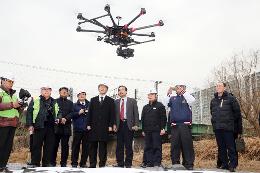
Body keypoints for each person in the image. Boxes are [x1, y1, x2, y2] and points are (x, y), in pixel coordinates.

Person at [210, 82, 242, 172]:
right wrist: (214, 124)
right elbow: (212, 113)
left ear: (224, 88)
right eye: (217, 86)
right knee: (221, 147)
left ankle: (233, 165)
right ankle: (224, 164)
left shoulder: (231, 99)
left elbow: (237, 113)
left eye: (220, 86)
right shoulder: (213, 101)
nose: (218, 87)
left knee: (231, 147)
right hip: (217, 128)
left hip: (228, 128)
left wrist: (235, 126)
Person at [26, 85, 60, 167]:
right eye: (44, 89)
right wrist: (30, 124)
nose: (46, 91)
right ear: (41, 91)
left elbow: (59, 112)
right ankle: (35, 162)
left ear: (51, 91)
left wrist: (59, 118)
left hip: (51, 126)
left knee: (49, 145)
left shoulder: (54, 101)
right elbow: (29, 112)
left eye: (48, 89)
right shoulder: (36, 100)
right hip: (38, 125)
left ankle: (46, 163)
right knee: (36, 145)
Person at [167, 84, 195, 170]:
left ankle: (188, 164)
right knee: (175, 145)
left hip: (185, 125)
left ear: (184, 89)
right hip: (174, 125)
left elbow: (192, 101)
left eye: (181, 87)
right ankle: (175, 163)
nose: (178, 89)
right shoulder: (172, 98)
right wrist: (169, 93)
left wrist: (183, 92)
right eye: (177, 87)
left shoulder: (187, 97)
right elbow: (165, 103)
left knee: (187, 145)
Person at [87, 83, 115, 168]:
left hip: (104, 127)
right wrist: (88, 124)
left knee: (103, 147)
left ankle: (102, 164)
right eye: (100, 87)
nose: (102, 88)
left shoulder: (110, 100)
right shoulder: (93, 99)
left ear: (107, 89)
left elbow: (112, 114)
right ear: (98, 89)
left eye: (104, 87)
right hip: (93, 127)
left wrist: (110, 125)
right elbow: (89, 113)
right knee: (92, 147)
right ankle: (92, 164)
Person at [0, 73, 22, 172]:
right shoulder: (0, 92)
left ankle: (3, 165)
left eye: (12, 82)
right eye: (9, 81)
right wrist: (13, 104)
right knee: (1, 144)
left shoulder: (13, 94)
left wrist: (21, 106)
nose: (11, 83)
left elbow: (16, 109)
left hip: (13, 123)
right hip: (2, 122)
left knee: (8, 146)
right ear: (3, 81)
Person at [113, 85, 139, 168]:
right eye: (119, 90)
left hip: (129, 125)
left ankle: (128, 163)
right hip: (119, 125)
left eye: (122, 90)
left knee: (128, 145)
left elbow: (136, 114)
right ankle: (120, 163)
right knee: (119, 145)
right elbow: (114, 115)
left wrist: (136, 124)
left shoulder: (132, 101)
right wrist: (114, 124)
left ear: (126, 92)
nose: (120, 91)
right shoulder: (116, 102)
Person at [141, 88, 167, 168]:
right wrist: (143, 130)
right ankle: (149, 162)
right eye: (149, 95)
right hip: (147, 130)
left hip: (157, 130)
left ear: (156, 96)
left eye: (152, 94)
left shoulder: (160, 106)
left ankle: (156, 162)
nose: (150, 96)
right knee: (148, 147)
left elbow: (163, 118)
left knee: (157, 146)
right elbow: (143, 119)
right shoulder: (145, 107)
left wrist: (163, 128)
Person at [51, 87, 73, 167]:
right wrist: (60, 119)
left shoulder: (70, 103)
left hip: (66, 127)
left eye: (66, 92)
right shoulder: (55, 101)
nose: (64, 93)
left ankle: (63, 163)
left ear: (67, 93)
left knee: (65, 146)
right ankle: (52, 162)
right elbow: (53, 112)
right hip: (56, 127)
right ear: (59, 92)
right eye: (62, 91)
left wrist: (66, 119)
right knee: (54, 145)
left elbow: (72, 113)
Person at [71, 90, 90, 168]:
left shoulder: (90, 105)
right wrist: (78, 113)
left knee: (86, 147)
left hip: (87, 129)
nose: (82, 96)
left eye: (83, 94)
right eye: (80, 95)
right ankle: (74, 163)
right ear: (77, 96)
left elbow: (92, 116)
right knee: (75, 147)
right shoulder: (74, 105)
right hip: (77, 129)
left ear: (85, 96)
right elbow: (71, 115)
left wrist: (90, 125)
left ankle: (83, 163)